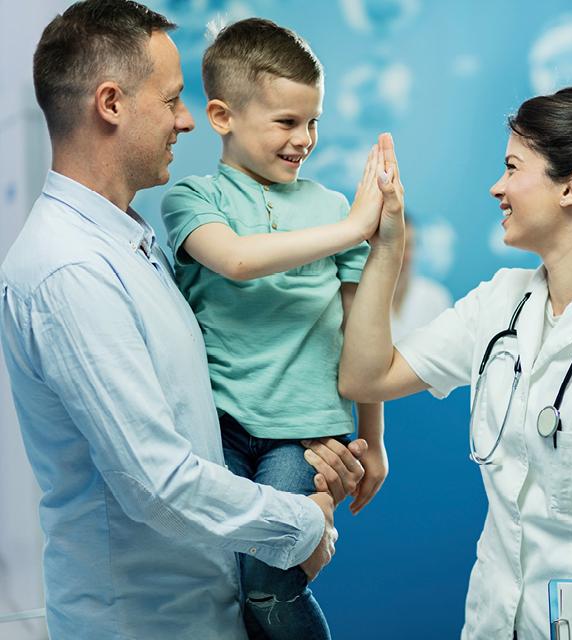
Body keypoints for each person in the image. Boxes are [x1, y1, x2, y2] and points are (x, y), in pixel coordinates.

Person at [0, 2, 365, 638]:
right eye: (172, 100)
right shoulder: (70, 272)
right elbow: (158, 481)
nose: (188, 120)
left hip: (206, 610)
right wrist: (304, 523)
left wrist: (316, 477)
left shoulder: (132, 244)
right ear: (111, 103)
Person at [339, 85, 572, 639]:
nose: (497, 187)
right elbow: (364, 377)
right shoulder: (499, 303)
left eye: (513, 167)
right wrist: (389, 248)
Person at [160, 18, 389, 639]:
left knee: (268, 580)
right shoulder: (191, 199)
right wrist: (354, 229)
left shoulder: (331, 206)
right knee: (224, 581)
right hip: (221, 432)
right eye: (287, 123)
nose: (304, 139)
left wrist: (374, 439)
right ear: (221, 116)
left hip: (306, 438)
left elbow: (359, 332)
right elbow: (235, 259)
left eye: (313, 122)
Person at [390, 215, 453, 341]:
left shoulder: (435, 297)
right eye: (397, 246)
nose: (405, 256)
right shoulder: (360, 298)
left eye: (409, 245)